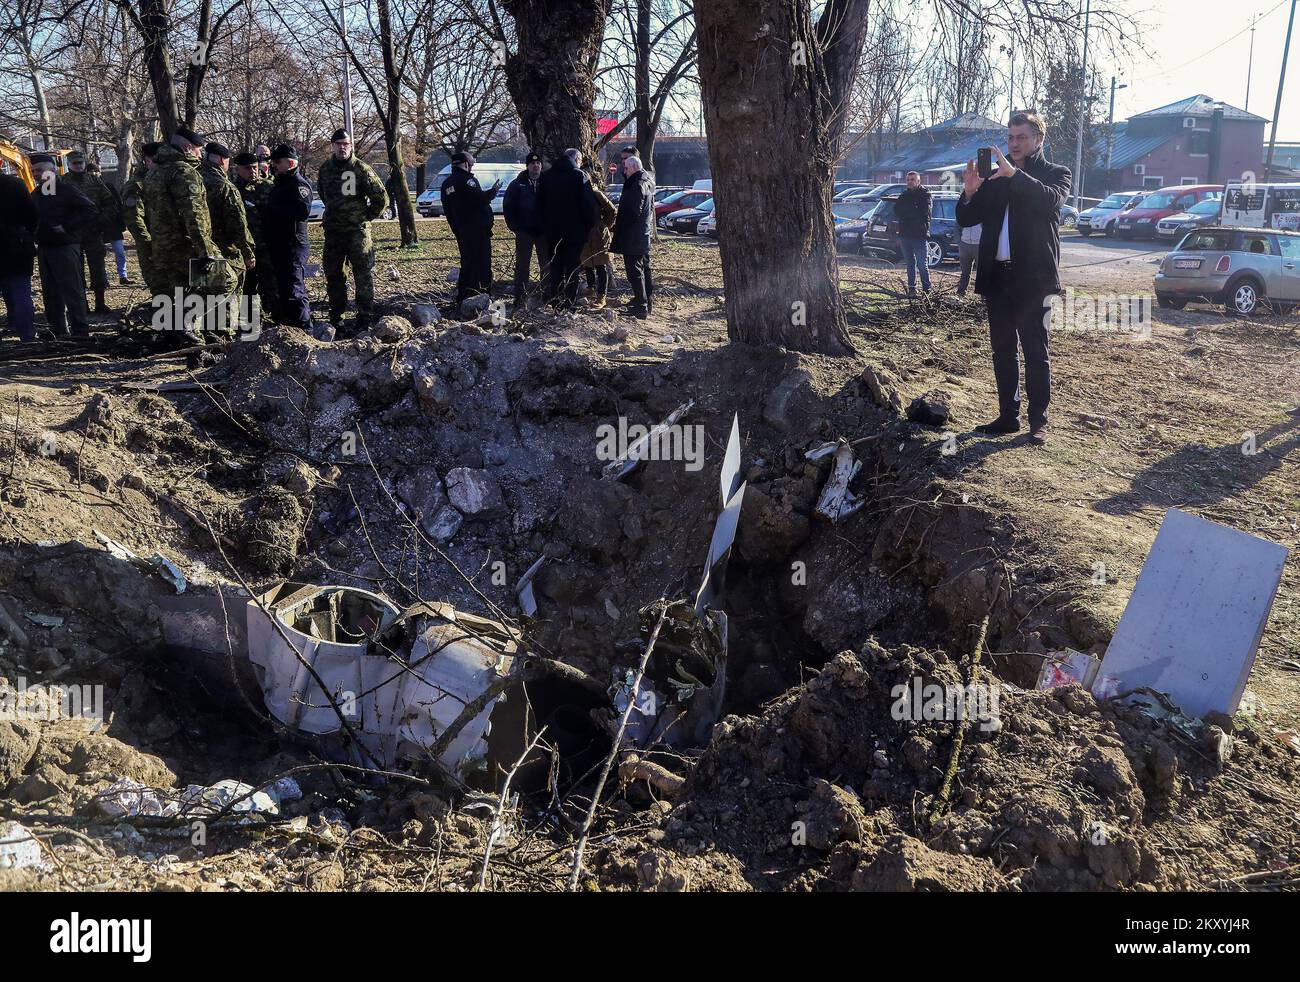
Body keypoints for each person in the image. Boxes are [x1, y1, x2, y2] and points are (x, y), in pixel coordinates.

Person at [956, 110, 1071, 445]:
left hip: (1034, 281)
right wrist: (970, 192)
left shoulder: (1055, 174)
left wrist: (1015, 176)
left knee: (1036, 352)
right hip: (998, 277)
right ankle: (1008, 416)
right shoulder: (996, 176)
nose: (1015, 143)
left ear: (1039, 139)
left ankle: (1039, 423)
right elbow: (967, 218)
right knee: (1002, 350)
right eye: (1010, 137)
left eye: (1021, 137)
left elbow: (1050, 202)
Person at [142, 126, 219, 337]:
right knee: (224, 280)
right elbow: (194, 215)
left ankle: (180, 336)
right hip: (184, 245)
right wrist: (206, 251)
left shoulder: (154, 172)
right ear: (187, 148)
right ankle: (185, 324)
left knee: (180, 290)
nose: (200, 154)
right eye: (198, 149)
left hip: (162, 245)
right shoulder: (184, 172)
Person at [317, 128, 389, 336]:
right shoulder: (325, 169)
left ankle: (364, 318)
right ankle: (337, 319)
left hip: (357, 233)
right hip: (334, 233)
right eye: (338, 144)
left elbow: (381, 198)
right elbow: (324, 195)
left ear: (351, 146)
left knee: (363, 275)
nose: (342, 147)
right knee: (334, 275)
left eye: (346, 144)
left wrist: (365, 217)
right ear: (332, 146)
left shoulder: (360, 168)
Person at [29, 153, 97, 339]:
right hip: (44, 247)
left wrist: (66, 226)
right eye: (33, 170)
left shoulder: (65, 189)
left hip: (65, 247)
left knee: (72, 290)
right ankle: (57, 328)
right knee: (50, 292)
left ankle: (80, 330)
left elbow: (90, 209)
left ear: (51, 170)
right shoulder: (38, 192)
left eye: (39, 170)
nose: (35, 173)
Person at [260, 143, 318, 335]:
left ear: (291, 163)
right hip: (279, 244)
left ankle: (306, 329)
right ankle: (291, 328)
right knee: (284, 289)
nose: (274, 165)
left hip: (293, 245)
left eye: (278, 162)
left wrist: (273, 209)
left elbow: (303, 211)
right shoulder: (281, 183)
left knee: (295, 290)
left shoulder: (299, 184)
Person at [199, 142, 256, 336]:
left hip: (198, 247)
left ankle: (203, 337)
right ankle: (222, 339)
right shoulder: (223, 186)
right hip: (226, 251)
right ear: (223, 160)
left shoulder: (192, 179)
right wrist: (247, 251)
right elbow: (237, 224)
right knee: (227, 297)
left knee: (204, 294)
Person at [537, 147, 595, 309]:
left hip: (552, 232)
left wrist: (545, 226)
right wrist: (588, 226)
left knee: (555, 267)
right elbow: (588, 205)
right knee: (572, 267)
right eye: (581, 161)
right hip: (574, 232)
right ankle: (569, 302)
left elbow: (539, 205)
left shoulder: (546, 176)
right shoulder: (579, 176)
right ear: (576, 159)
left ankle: (555, 299)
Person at [440, 150, 499, 309]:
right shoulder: (467, 181)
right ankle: (480, 295)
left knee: (467, 263)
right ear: (466, 164)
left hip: (462, 231)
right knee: (481, 264)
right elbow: (481, 199)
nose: (472, 167)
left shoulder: (447, 184)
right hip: (477, 231)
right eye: (471, 164)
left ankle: (463, 295)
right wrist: (493, 191)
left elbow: (448, 211)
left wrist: (457, 230)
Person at [63, 150, 117, 313]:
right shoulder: (62, 181)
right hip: (73, 233)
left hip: (93, 231)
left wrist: (102, 221)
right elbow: (52, 205)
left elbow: (110, 203)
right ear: (69, 164)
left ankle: (100, 303)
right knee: (75, 270)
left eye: (80, 163)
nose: (78, 166)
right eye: (75, 163)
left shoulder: (95, 180)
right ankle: (82, 304)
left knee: (98, 268)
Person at [233, 150, 278, 324]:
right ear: (238, 170)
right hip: (244, 246)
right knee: (247, 286)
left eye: (255, 168)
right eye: (248, 168)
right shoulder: (234, 189)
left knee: (271, 282)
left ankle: (275, 318)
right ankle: (250, 323)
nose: (252, 171)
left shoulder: (267, 186)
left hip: (267, 244)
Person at [611, 154, 655, 319]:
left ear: (634, 168)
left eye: (627, 168)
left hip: (633, 235)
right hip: (643, 234)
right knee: (644, 269)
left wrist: (619, 225)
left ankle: (641, 305)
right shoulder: (648, 181)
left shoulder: (637, 184)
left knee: (634, 271)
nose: (625, 171)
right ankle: (645, 301)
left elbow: (633, 211)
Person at [503, 152, 546, 309]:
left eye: (538, 163)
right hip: (524, 232)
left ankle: (546, 296)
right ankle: (520, 298)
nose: (536, 166)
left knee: (546, 265)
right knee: (522, 266)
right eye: (532, 164)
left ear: (541, 165)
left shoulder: (547, 183)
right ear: (527, 166)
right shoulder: (517, 184)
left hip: (543, 233)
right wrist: (516, 227)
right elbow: (508, 207)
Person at [0, 170, 39, 341]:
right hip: (16, 247)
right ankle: (28, 335)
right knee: (21, 293)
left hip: (14, 245)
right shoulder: (15, 184)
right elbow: (32, 216)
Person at [122, 141, 161, 298]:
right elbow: (134, 220)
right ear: (149, 160)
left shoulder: (160, 179)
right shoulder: (136, 185)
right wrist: (149, 245)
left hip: (168, 246)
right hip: (153, 247)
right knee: (160, 289)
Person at [89, 161, 130, 286]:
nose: (93, 174)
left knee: (120, 252)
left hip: (112, 225)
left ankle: (123, 276)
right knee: (99, 254)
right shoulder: (85, 189)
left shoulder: (108, 186)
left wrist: (122, 223)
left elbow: (118, 204)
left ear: (100, 172)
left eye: (95, 171)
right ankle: (103, 278)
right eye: (90, 172)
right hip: (97, 226)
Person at [580, 181, 618, 310]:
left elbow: (612, 211)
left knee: (601, 265)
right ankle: (591, 288)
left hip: (598, 236)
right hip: (583, 233)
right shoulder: (576, 193)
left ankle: (602, 295)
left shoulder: (596, 194)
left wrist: (603, 226)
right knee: (587, 263)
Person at [895, 171, 932, 296]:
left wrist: (908, 212)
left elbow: (923, 212)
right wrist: (911, 211)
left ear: (918, 181)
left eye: (913, 179)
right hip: (905, 235)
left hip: (919, 236)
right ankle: (912, 288)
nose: (910, 181)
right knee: (910, 264)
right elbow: (897, 210)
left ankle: (927, 289)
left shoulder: (925, 195)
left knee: (922, 264)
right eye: (908, 179)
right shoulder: (904, 195)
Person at [956, 219, 981, 297]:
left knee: (981, 272)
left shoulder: (984, 210)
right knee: (965, 272)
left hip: (979, 245)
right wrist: (959, 242)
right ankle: (961, 291)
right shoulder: (964, 210)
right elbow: (956, 226)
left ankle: (982, 294)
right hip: (964, 245)